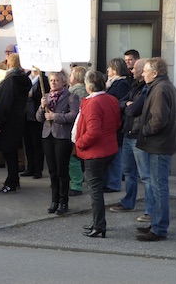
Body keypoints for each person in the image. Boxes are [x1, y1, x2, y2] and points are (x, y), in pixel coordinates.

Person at [136, 57, 176, 242]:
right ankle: (156, 224)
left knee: (159, 187)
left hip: (159, 144)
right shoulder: (163, 86)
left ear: (155, 73)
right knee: (156, 185)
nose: (142, 73)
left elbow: (158, 119)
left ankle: (159, 228)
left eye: (145, 70)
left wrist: (144, 130)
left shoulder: (160, 88)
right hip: (159, 143)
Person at [74, 70, 120, 238]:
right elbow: (116, 123)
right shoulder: (111, 99)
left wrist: (79, 143)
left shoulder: (94, 103)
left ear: (88, 86)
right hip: (109, 150)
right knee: (97, 188)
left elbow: (93, 132)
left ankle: (99, 225)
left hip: (95, 153)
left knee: (95, 190)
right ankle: (98, 222)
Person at [109, 59, 154, 223]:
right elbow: (119, 103)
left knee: (146, 175)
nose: (132, 70)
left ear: (144, 70)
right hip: (128, 132)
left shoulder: (147, 88)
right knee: (129, 171)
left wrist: (127, 106)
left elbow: (134, 109)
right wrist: (127, 105)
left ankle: (150, 210)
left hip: (138, 135)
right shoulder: (134, 86)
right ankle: (128, 202)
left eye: (135, 68)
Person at [0, 53, 31, 193]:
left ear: (9, 64)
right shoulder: (20, 79)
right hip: (15, 122)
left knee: (9, 154)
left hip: (7, 124)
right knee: (11, 153)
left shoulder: (11, 81)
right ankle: (14, 180)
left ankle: (11, 183)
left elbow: (5, 103)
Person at [36, 71, 79, 215]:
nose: (53, 83)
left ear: (63, 82)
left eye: (56, 80)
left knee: (62, 170)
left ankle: (63, 201)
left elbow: (74, 115)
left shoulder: (71, 96)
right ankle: (54, 200)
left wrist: (56, 116)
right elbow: (38, 118)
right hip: (48, 135)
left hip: (62, 136)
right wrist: (42, 107)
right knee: (52, 171)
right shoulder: (46, 97)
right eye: (51, 80)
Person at [103, 57, 131, 193]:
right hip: (111, 124)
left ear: (116, 69)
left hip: (117, 125)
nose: (108, 70)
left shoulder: (122, 84)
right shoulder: (111, 84)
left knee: (116, 156)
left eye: (110, 68)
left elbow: (119, 103)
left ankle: (114, 184)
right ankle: (109, 182)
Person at [21, 68, 49, 178]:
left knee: (37, 144)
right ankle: (30, 167)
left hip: (36, 116)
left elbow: (45, 95)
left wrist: (33, 95)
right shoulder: (25, 77)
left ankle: (38, 170)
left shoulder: (44, 79)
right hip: (25, 115)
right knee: (27, 143)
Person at [67, 65, 89, 196]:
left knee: (74, 158)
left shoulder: (75, 92)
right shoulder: (82, 91)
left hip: (74, 129)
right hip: (79, 129)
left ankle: (76, 184)